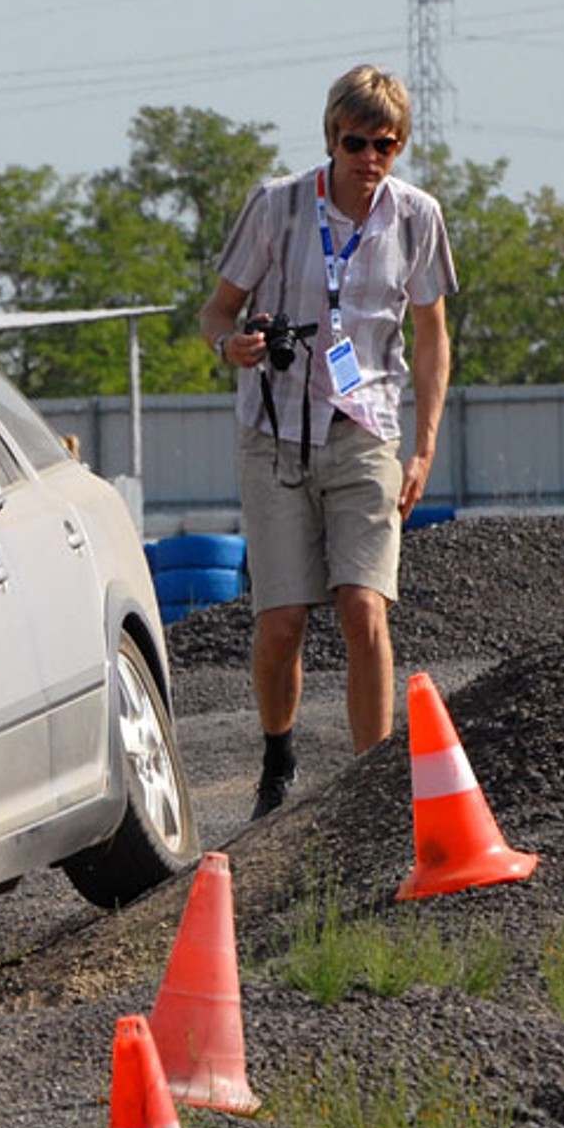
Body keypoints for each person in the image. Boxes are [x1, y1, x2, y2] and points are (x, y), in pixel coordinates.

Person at [198, 64, 456, 820]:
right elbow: (217, 312)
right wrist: (231, 347)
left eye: (386, 144)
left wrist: (424, 448)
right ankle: (278, 758)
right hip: (276, 433)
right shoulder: (277, 207)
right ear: (330, 138)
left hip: (367, 431)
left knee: (364, 609)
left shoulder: (415, 217)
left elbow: (432, 338)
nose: (370, 157)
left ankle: (372, 784)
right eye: (356, 142)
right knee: (282, 622)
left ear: (400, 146)